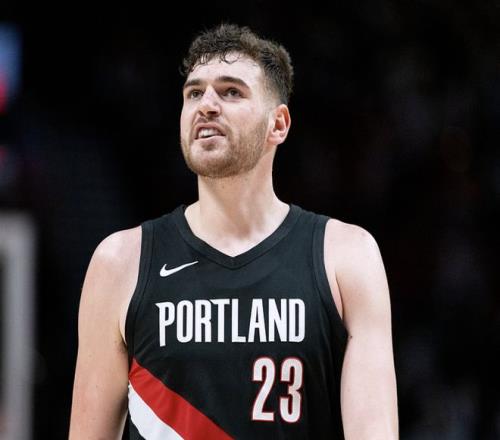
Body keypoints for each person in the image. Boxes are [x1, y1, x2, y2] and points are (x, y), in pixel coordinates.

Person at [69, 23, 398, 439]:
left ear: (278, 124)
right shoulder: (119, 262)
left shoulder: (346, 257)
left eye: (231, 92)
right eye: (194, 93)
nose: (206, 105)